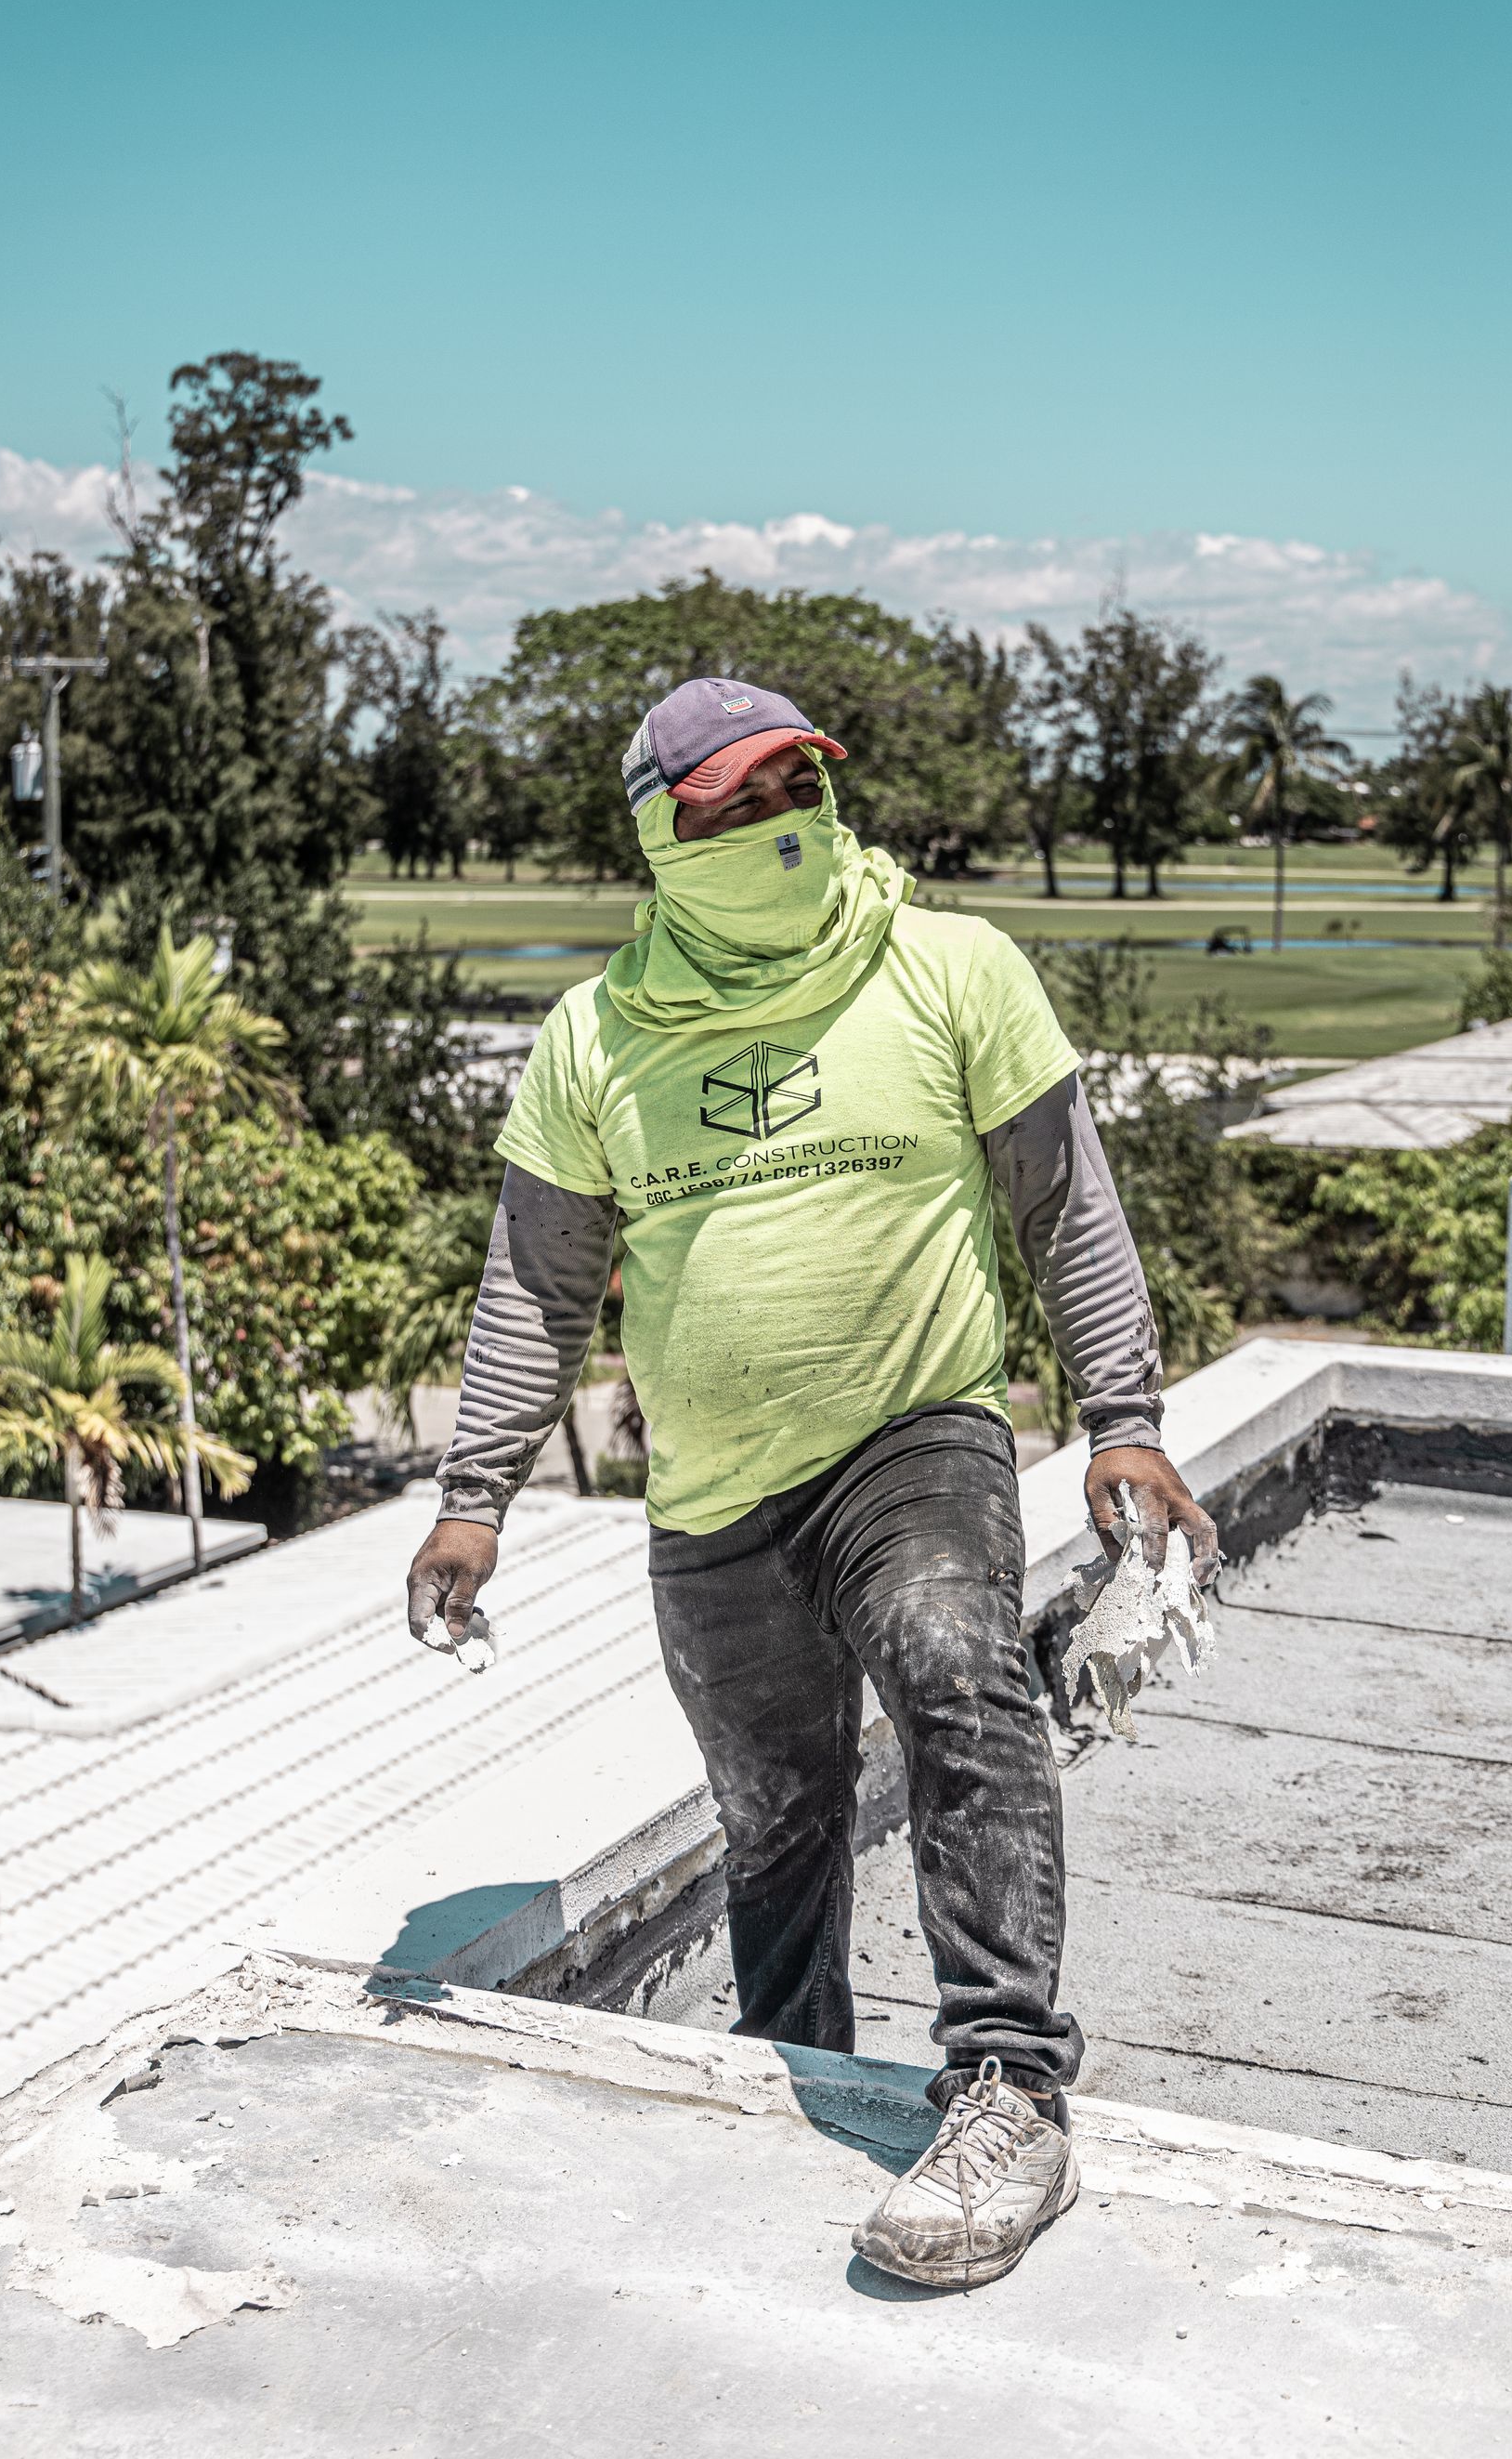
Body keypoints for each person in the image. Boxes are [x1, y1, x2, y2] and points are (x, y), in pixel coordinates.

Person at [407, 675, 1219, 2291]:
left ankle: (1010, 2089)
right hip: (713, 1499)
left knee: (956, 1668)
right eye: (740, 802)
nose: (784, 822)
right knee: (777, 1824)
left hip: (914, 1433)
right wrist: (473, 1496)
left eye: (802, 787)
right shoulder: (594, 1039)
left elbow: (1064, 1207)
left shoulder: (950, 966)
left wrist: (1122, 1418)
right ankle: (793, 2074)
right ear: (664, 832)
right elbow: (538, 1284)